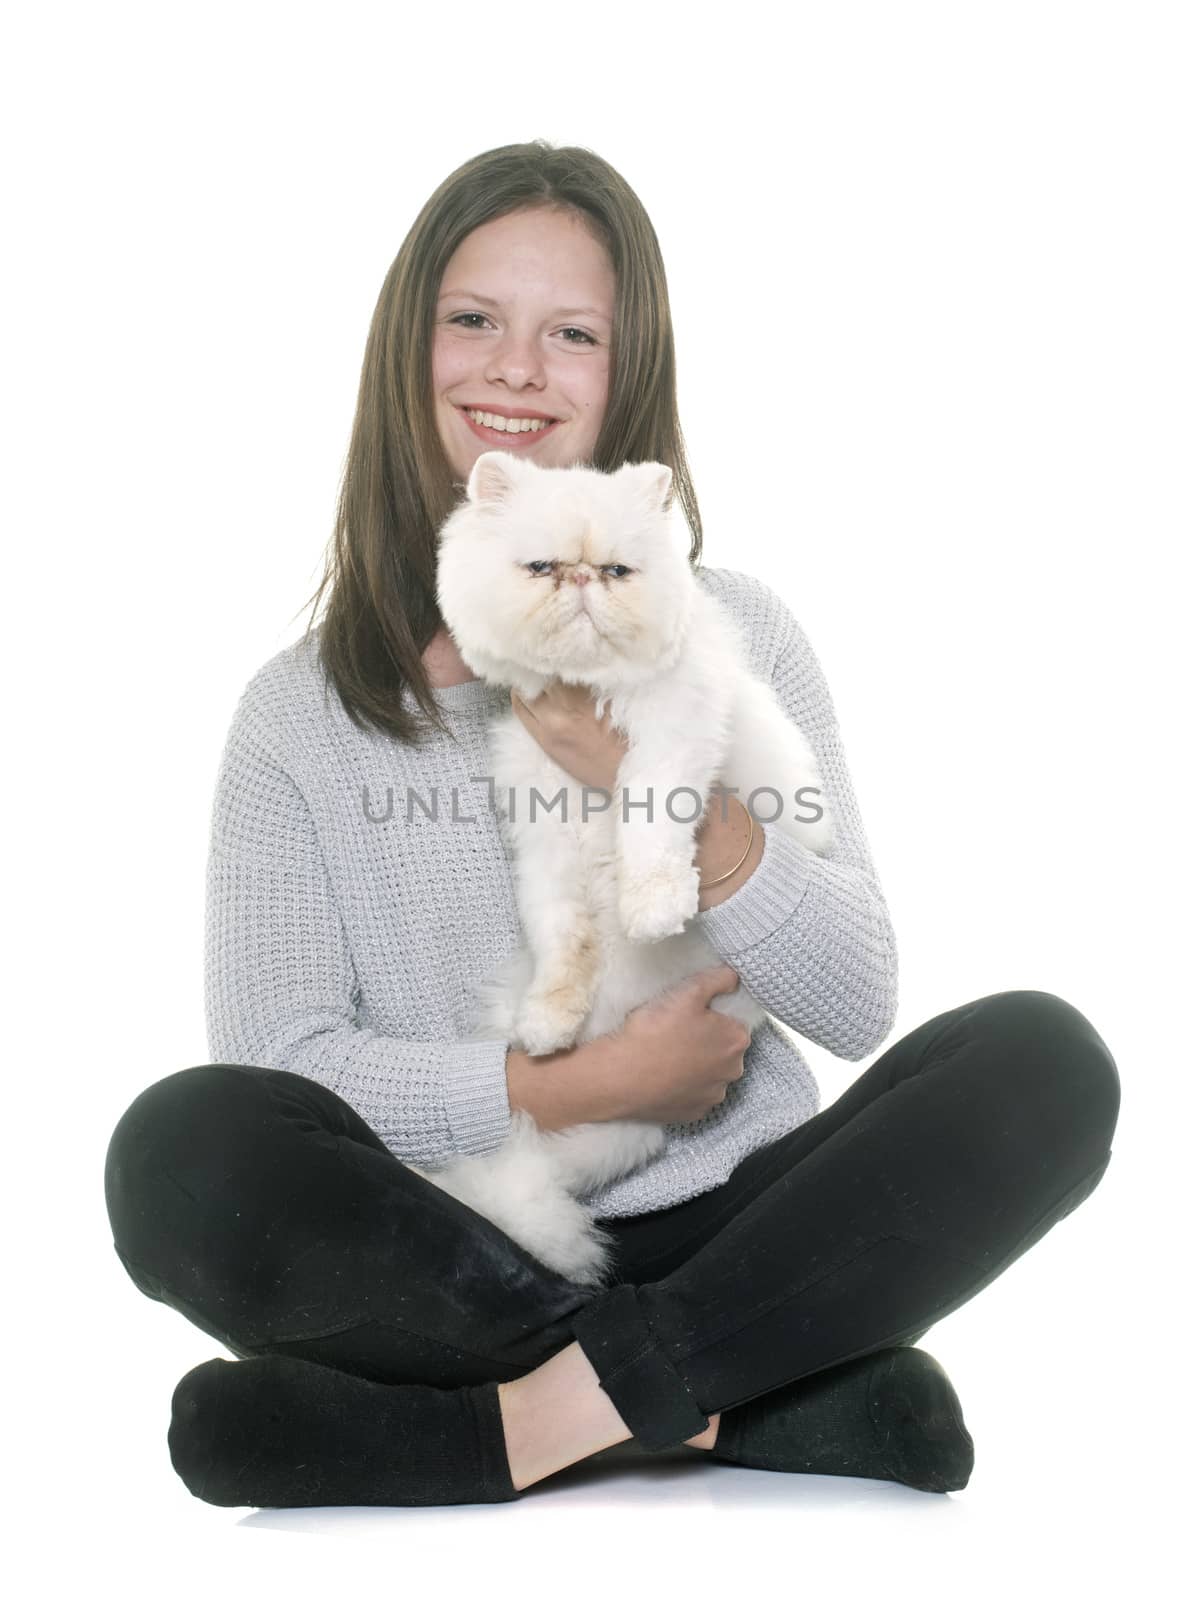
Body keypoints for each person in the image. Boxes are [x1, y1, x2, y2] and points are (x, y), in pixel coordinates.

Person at [103, 141, 1121, 1510]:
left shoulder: (739, 630)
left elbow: (856, 994)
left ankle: (495, 1430)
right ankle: (746, 1401)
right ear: (408, 353)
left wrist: (660, 783)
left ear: (620, 374)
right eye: (472, 321)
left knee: (1040, 1061)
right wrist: (577, 1090)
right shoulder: (295, 717)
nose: (515, 369)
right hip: (461, 1233)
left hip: (747, 1218)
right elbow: (287, 1068)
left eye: (569, 333)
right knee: (176, 1152)